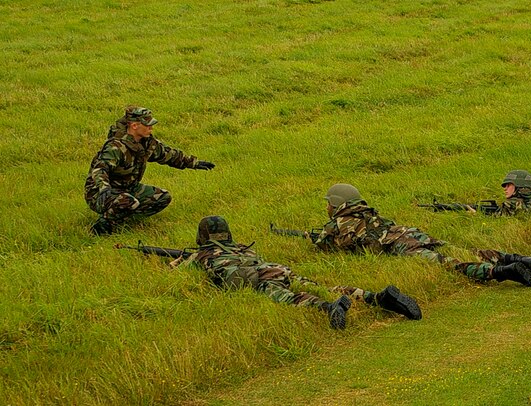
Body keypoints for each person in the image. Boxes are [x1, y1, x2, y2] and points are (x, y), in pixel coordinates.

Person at [185, 216, 422, 330]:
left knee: (292, 297)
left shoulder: (201, 255)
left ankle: (329, 308)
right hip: (276, 268)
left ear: (202, 235)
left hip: (258, 279)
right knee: (322, 286)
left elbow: (178, 270)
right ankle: (375, 297)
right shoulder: (241, 248)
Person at [308, 184, 531, 287]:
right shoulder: (369, 213)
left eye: (329, 204)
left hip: (400, 247)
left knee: (450, 263)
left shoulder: (338, 224)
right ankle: (516, 258)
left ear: (337, 204)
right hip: (410, 233)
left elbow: (325, 246)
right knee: (460, 250)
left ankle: (501, 272)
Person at [84, 106, 216, 235]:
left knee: (162, 197)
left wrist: (194, 163)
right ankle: (102, 227)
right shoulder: (116, 147)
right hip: (99, 193)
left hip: (128, 188)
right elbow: (100, 170)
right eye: (147, 125)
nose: (151, 128)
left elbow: (168, 154)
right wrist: (104, 188)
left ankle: (124, 217)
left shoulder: (146, 143)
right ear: (134, 126)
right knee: (128, 201)